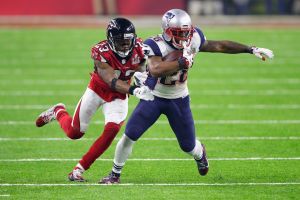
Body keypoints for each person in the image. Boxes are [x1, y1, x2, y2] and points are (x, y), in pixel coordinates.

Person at [99, 9, 274, 184]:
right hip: (153, 97)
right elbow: (155, 69)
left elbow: (219, 46)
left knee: (188, 146)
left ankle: (200, 154)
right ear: (167, 30)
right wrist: (181, 62)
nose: (183, 37)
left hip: (179, 99)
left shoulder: (194, 37)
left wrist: (250, 49)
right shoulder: (154, 44)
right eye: (178, 33)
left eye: (186, 32)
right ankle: (115, 175)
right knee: (130, 135)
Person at [35, 17, 153, 182]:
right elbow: (111, 81)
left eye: (128, 40)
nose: (126, 45)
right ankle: (58, 111)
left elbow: (144, 69)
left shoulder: (141, 49)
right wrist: (135, 89)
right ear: (111, 40)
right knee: (74, 133)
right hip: (97, 90)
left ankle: (79, 169)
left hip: (119, 96)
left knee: (112, 130)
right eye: (121, 41)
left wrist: (144, 77)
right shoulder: (100, 51)